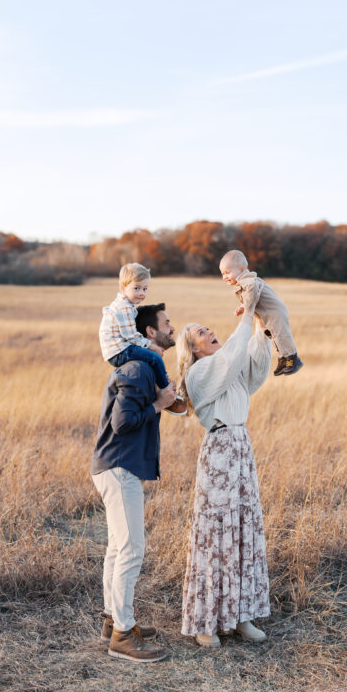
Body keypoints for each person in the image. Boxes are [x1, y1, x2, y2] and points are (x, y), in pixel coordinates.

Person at [175, 302, 272, 648]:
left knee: (243, 530)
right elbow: (230, 359)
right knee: (216, 534)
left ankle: (241, 616)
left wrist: (260, 325)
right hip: (219, 453)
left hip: (241, 448)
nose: (210, 332)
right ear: (193, 349)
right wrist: (246, 315)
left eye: (207, 328)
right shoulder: (199, 374)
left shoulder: (226, 369)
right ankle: (206, 622)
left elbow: (255, 369)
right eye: (201, 333)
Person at [91, 303, 178, 663]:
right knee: (131, 549)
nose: (172, 328)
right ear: (149, 333)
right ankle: (123, 638)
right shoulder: (139, 368)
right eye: (167, 323)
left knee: (118, 547)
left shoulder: (142, 368)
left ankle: (113, 622)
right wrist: (159, 404)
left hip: (115, 466)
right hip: (119, 466)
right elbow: (123, 422)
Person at [99, 262, 186, 413]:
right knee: (154, 357)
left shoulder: (127, 305)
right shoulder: (124, 307)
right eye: (137, 288)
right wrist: (152, 346)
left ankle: (161, 384)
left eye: (145, 289)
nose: (141, 293)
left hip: (120, 349)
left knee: (151, 359)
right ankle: (166, 390)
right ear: (123, 288)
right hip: (120, 351)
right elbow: (131, 336)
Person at [219, 250, 303, 376]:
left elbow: (251, 297)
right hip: (267, 314)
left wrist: (247, 308)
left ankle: (292, 359)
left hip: (274, 313)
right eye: (222, 274)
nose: (225, 277)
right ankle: (283, 359)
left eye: (227, 272)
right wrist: (243, 307)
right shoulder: (246, 281)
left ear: (241, 269)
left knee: (281, 335)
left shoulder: (248, 282)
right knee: (274, 336)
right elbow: (251, 298)